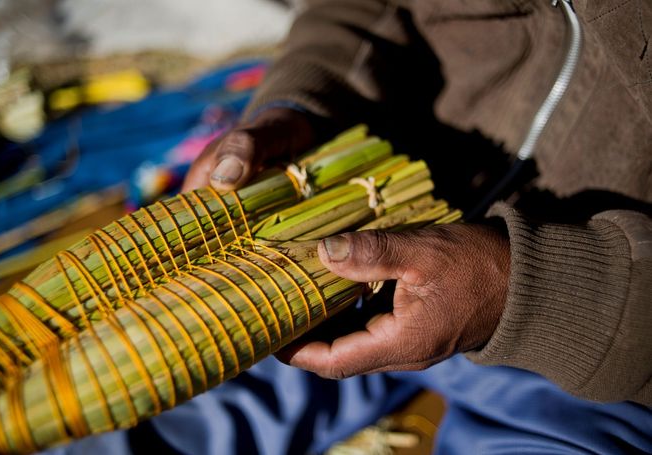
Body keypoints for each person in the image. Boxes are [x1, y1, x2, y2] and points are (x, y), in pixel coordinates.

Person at [48, 1, 652, 454]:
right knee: (117, 395)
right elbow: (354, 9)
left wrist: (527, 291)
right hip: (336, 235)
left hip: (598, 345)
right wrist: (304, 101)